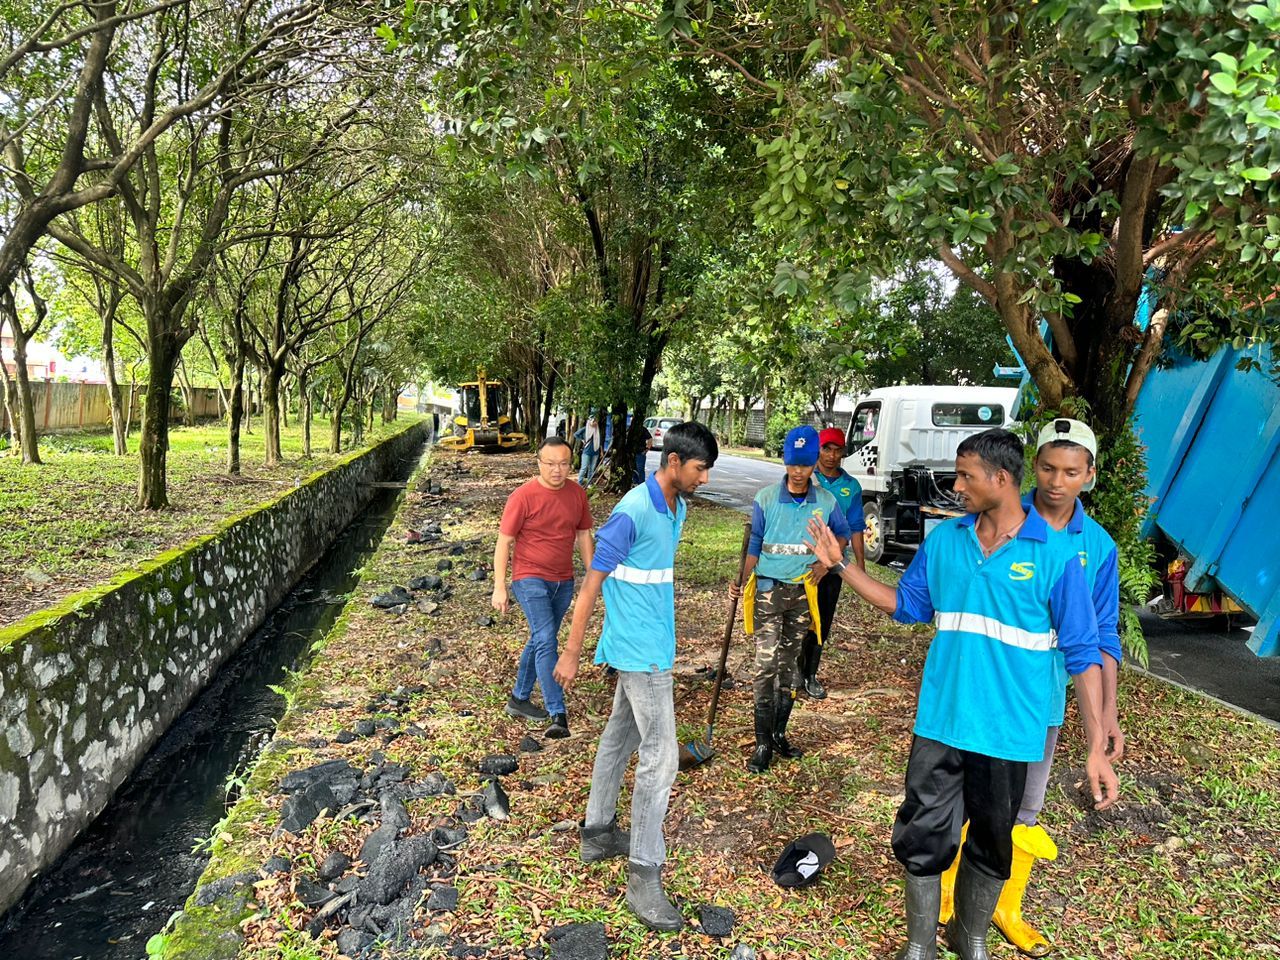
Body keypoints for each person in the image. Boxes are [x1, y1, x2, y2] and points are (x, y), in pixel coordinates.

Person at [807, 428, 1118, 960]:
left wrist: (1095, 743)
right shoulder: (946, 541)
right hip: (942, 722)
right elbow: (905, 605)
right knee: (923, 833)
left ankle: (969, 935)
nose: (956, 485)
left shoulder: (1059, 557)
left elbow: (1085, 652)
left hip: (1010, 732)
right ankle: (919, 944)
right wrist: (841, 565)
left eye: (965, 476)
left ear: (1001, 480)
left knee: (993, 841)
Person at [938, 418, 1124, 955]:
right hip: (976, 692)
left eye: (1070, 471)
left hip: (1039, 701)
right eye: (1046, 467)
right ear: (1030, 467)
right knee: (962, 797)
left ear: (1089, 475)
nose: (1056, 482)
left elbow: (1102, 634)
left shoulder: (1097, 546)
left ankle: (1003, 904)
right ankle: (951, 894)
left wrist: (1105, 714)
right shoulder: (998, 514)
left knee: (1021, 807)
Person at [553, 420, 719, 932]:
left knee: (619, 738)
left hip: (654, 646)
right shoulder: (631, 511)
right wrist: (572, 652)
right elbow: (590, 587)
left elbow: (651, 581)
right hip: (638, 652)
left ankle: (598, 831)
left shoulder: (678, 507)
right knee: (662, 756)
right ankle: (644, 876)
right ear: (673, 463)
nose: (705, 479)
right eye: (700, 469)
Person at [731, 425, 851, 774]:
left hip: (802, 594)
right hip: (769, 591)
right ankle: (762, 742)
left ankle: (780, 733)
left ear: (814, 463)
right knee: (764, 665)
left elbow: (841, 537)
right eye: (792, 464)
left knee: (790, 669)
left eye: (804, 464)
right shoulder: (766, 498)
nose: (798, 472)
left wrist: (825, 565)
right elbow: (754, 544)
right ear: (785, 462)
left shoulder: (827, 502)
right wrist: (740, 579)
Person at [492, 436, 594, 739]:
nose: (557, 470)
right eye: (550, 464)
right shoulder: (523, 496)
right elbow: (504, 542)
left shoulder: (577, 494)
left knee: (539, 638)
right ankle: (556, 712)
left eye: (564, 463)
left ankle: (519, 699)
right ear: (539, 463)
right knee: (547, 637)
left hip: (563, 581)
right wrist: (500, 585)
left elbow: (584, 535)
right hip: (529, 577)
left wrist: (592, 576)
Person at [800, 426, 867, 700]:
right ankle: (793, 671)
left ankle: (810, 673)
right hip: (801, 561)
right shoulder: (804, 477)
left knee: (822, 620)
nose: (831, 455)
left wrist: (860, 566)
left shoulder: (850, 487)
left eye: (837, 450)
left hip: (834, 564)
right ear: (818, 450)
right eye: (826, 449)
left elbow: (855, 527)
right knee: (798, 616)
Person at [578, 415, 601, 485]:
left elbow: (600, 442)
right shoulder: (585, 429)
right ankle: (579, 482)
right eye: (594, 421)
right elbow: (576, 434)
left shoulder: (597, 430)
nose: (595, 423)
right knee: (584, 468)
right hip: (586, 452)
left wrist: (602, 452)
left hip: (595, 452)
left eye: (596, 421)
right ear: (590, 422)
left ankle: (589, 483)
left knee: (592, 469)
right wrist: (582, 440)